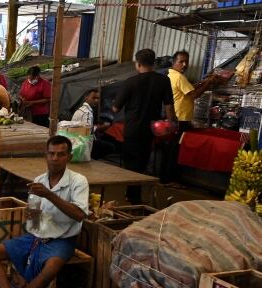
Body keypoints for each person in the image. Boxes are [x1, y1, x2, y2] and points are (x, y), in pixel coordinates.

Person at [0, 136, 89, 288]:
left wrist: (49, 195)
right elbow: (33, 219)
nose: (55, 158)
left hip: (62, 240)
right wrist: (33, 236)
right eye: (51, 154)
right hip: (37, 236)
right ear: (45, 155)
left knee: (51, 268)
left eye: (61, 154)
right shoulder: (39, 180)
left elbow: (79, 215)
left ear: (69, 157)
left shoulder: (78, 181)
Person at [113, 48, 175, 201]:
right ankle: (132, 194)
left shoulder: (131, 82)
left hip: (132, 130)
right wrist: (170, 125)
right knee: (142, 163)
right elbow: (169, 106)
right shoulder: (163, 80)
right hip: (150, 130)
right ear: (153, 63)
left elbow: (116, 108)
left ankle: (133, 196)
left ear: (138, 63)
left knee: (131, 165)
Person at [169, 50, 215, 130]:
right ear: (174, 62)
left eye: (186, 62)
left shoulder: (171, 74)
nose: (184, 65)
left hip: (176, 115)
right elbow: (195, 95)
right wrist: (209, 82)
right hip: (181, 117)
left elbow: (188, 88)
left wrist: (201, 82)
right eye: (181, 62)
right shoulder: (179, 77)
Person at [71, 88, 114, 159]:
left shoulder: (81, 109)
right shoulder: (87, 113)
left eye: (98, 98)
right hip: (81, 142)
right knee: (111, 147)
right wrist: (102, 127)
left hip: (76, 139)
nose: (96, 100)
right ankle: (91, 158)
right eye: (94, 98)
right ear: (86, 97)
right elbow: (86, 132)